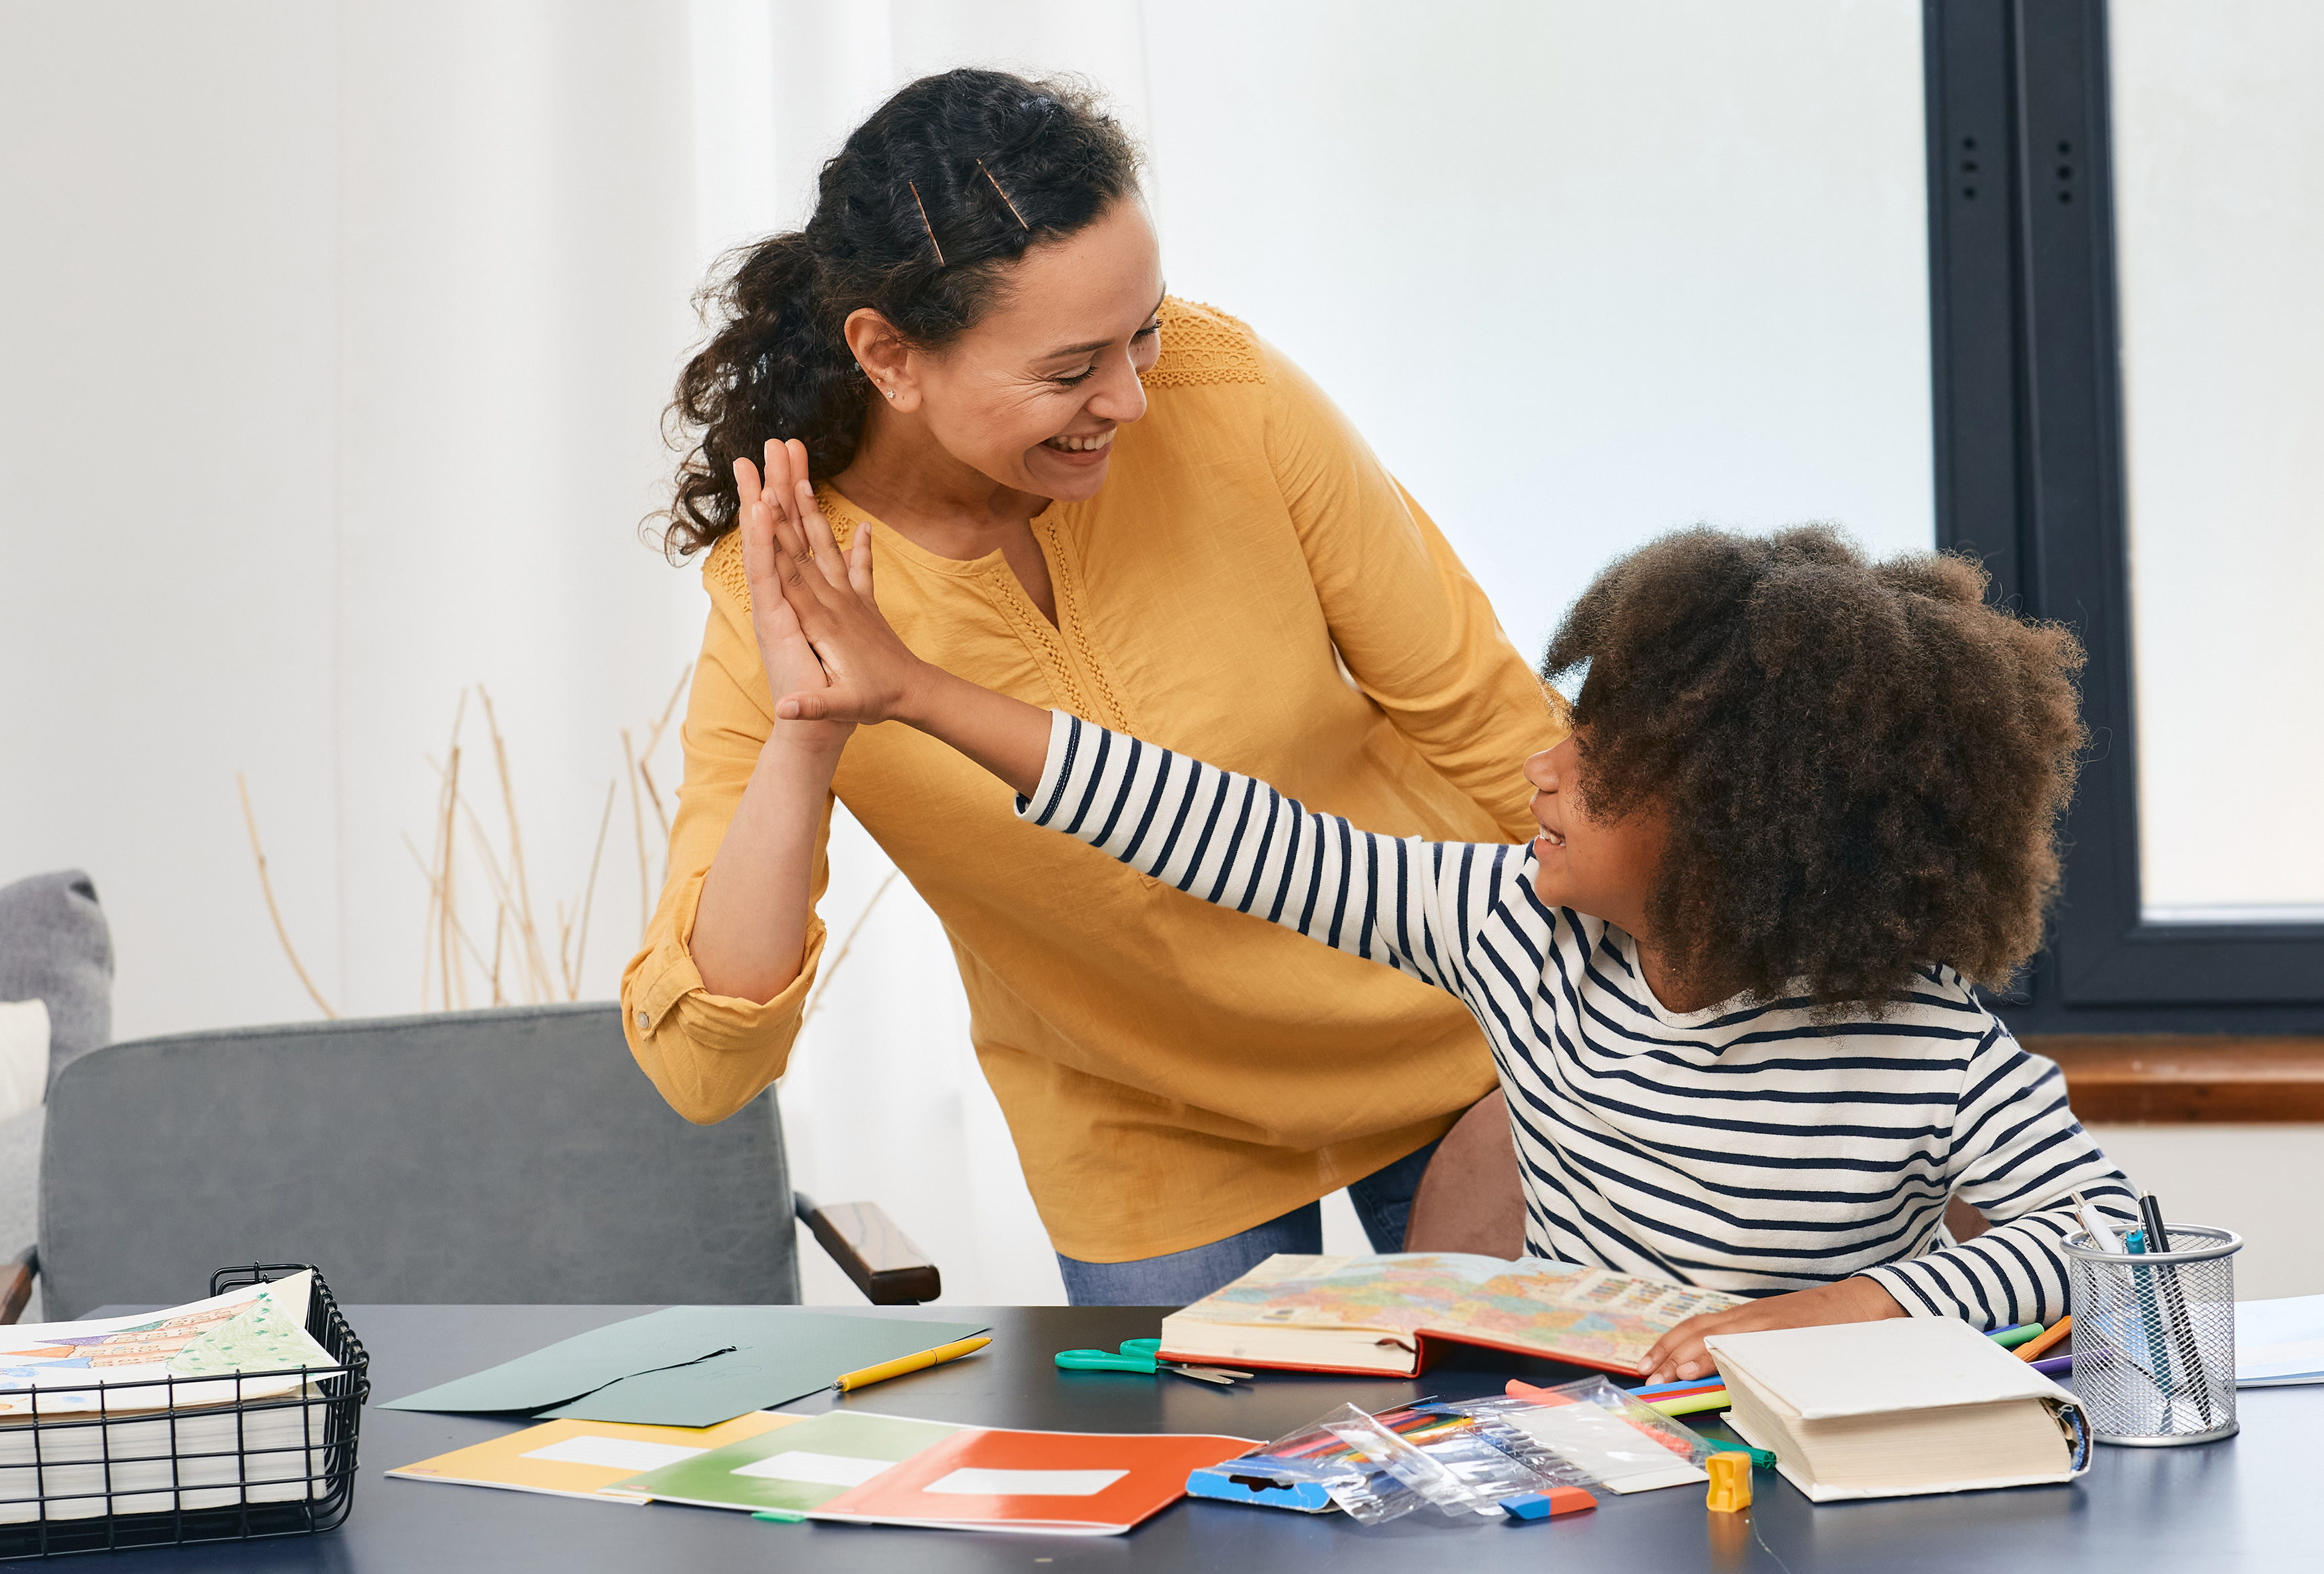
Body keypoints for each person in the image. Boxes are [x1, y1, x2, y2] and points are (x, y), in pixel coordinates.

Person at [742, 512, 2139, 1376]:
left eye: (1597, 765)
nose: (1544, 769)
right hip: (1586, 1482)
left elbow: (2105, 1235)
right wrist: (917, 690)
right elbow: (1223, 830)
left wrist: (1837, 1308)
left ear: (1737, 830)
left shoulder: (1919, 1038)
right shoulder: (1518, 934)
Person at [621, 67, 1565, 1304]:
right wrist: (808, 733)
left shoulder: (1226, 394)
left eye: (1143, 330)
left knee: (1550, 1462)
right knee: (1209, 1499)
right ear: (889, 355)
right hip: (1146, 1132)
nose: (1128, 397)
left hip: (1459, 1041)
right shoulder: (787, 589)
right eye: (1071, 368)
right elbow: (706, 1065)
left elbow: (1491, 719)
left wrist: (1634, 1029)